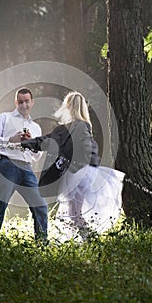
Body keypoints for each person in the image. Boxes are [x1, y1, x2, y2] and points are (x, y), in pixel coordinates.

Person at [19, 91, 125, 242]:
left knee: (74, 213)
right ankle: (87, 241)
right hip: (78, 174)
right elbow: (47, 141)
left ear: (68, 107)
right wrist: (28, 143)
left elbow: (84, 149)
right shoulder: (69, 128)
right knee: (73, 212)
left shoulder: (79, 126)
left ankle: (91, 240)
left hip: (78, 175)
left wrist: (75, 166)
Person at [0, 87, 48, 241]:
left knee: (40, 206)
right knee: (1, 205)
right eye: (20, 102)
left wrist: (31, 143)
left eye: (27, 101)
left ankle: (42, 243)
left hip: (26, 169)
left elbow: (37, 156)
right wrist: (10, 140)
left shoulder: (35, 127)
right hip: (8, 166)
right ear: (16, 102)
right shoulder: (4, 118)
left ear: (32, 102)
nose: (24, 105)